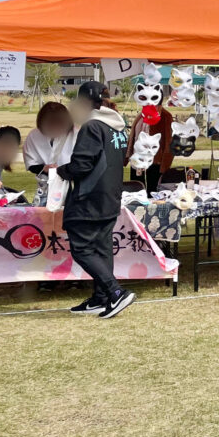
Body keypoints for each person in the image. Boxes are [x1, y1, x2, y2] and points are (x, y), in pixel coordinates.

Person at [57, 81, 134, 318]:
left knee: (82, 249)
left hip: (88, 198)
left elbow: (82, 165)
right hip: (110, 197)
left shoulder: (92, 127)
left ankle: (115, 293)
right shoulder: (118, 127)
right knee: (102, 249)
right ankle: (100, 299)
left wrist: (62, 170)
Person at [23, 102, 75, 202]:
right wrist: (44, 168)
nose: (55, 130)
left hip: (68, 185)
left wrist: (63, 170)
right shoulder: (34, 136)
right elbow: (31, 164)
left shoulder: (75, 134)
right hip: (45, 186)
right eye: (50, 126)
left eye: (58, 126)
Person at [127, 85, 173, 192]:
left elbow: (168, 141)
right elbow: (134, 136)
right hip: (137, 158)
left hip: (155, 161)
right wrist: (128, 154)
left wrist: (165, 163)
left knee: (153, 191)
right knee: (136, 188)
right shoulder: (141, 114)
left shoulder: (165, 116)